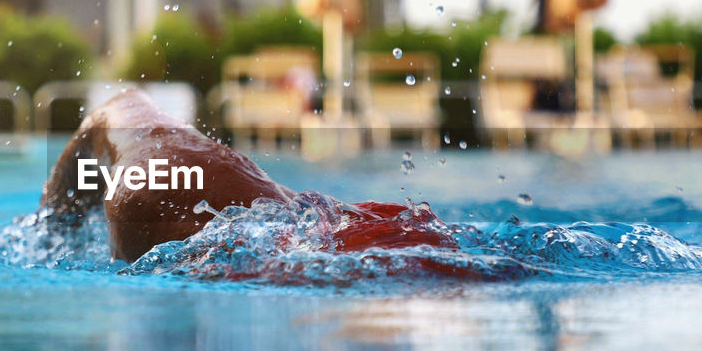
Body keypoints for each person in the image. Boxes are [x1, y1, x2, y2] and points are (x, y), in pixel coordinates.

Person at [41, 89, 461, 264]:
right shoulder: (131, 129)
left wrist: (53, 230)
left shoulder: (118, 123)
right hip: (174, 191)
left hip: (160, 191)